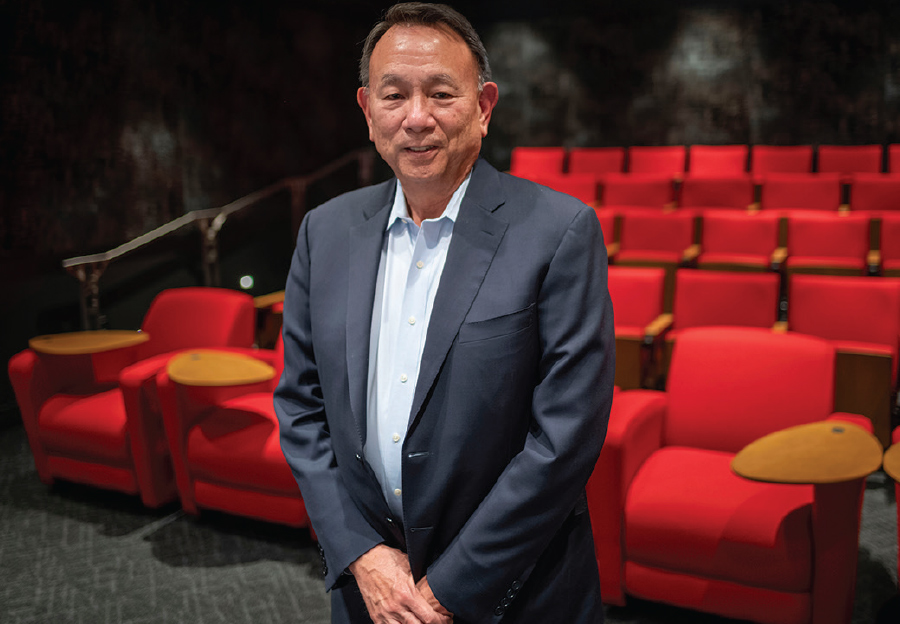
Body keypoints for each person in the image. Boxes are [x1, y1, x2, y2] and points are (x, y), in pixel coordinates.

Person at [274, 3, 615, 623]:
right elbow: (301, 408)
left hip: (515, 591)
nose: (417, 119)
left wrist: (445, 592)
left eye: (441, 94)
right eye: (394, 95)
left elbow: (564, 440)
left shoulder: (560, 231)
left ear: (483, 107)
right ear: (367, 110)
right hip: (371, 592)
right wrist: (363, 554)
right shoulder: (323, 232)